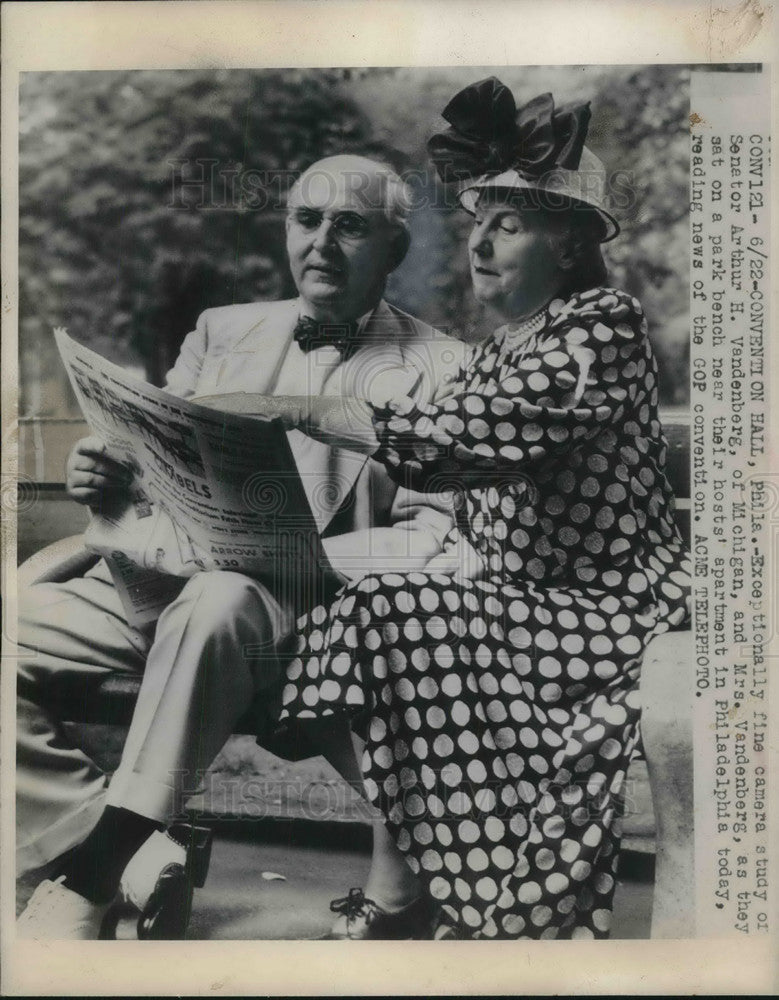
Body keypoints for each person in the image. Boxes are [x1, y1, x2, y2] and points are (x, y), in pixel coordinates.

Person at [246, 79, 692, 939]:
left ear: (569, 248)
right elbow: (457, 508)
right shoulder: (493, 351)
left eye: (510, 225)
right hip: (520, 607)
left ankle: (417, 890)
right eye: (477, 223)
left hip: (611, 608)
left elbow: (467, 437)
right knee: (341, 613)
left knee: (381, 615)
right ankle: (433, 877)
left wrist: (299, 410)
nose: (480, 245)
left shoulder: (602, 325)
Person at [16, 154, 465, 939]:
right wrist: (106, 472)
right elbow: (158, 463)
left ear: (394, 249)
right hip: (158, 583)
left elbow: (432, 536)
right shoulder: (222, 330)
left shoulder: (444, 368)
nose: (323, 242)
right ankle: (131, 851)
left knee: (221, 600)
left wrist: (308, 559)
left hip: (290, 610)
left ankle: (88, 880)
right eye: (307, 220)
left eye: (351, 226)